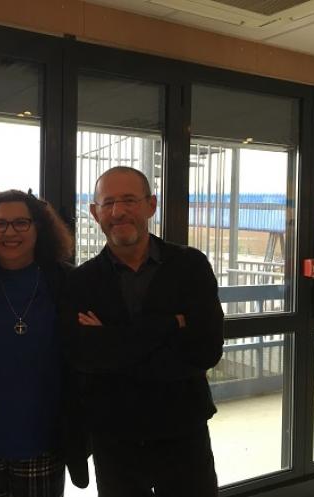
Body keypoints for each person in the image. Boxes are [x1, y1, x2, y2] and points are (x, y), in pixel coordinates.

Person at [63, 166, 224, 497]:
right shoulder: (81, 281)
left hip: (184, 430)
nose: (118, 212)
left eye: (129, 200)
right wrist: (169, 326)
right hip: (114, 437)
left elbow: (206, 349)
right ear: (95, 213)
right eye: (107, 203)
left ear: (151, 205)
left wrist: (114, 342)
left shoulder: (191, 266)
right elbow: (85, 357)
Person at [0, 190, 89, 497]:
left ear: (38, 228)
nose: (10, 232)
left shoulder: (65, 283)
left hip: (44, 439)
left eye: (21, 223)